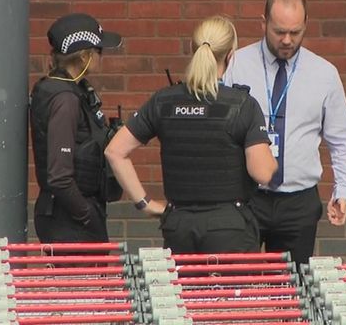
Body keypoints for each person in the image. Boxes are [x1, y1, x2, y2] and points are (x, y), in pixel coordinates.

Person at [105, 15, 277, 253]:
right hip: (229, 229)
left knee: (183, 292)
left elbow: (115, 151)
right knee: (228, 292)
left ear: (191, 48)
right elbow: (262, 173)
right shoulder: (242, 105)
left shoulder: (164, 101)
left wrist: (145, 203)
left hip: (179, 227)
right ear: (230, 55)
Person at [223, 0, 346, 265]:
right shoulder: (235, 64)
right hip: (245, 197)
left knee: (295, 290)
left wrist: (343, 191)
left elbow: (343, 139)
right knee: (236, 282)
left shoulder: (324, 74)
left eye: (295, 32)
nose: (287, 40)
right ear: (263, 23)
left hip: (298, 201)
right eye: (279, 31)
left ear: (306, 24)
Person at [30, 12, 123, 244]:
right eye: (99, 51)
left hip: (67, 216)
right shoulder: (65, 99)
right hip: (70, 222)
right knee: (83, 281)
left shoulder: (66, 90)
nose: (102, 57)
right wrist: (88, 216)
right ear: (84, 57)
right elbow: (60, 177)